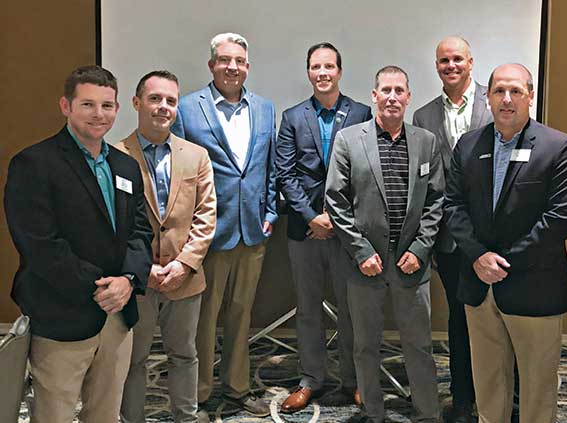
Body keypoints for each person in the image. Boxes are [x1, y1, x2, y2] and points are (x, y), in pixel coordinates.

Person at [4, 65, 153, 423]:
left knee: (105, 413)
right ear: (66, 106)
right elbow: (40, 244)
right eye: (87, 104)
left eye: (107, 105)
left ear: (118, 109)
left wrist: (128, 282)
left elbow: (140, 232)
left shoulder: (126, 166)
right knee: (54, 414)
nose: (98, 114)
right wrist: (101, 288)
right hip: (62, 315)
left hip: (118, 317)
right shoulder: (34, 164)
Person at [444, 63, 567, 423]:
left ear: (530, 96)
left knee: (537, 389)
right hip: (478, 286)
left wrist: (502, 262)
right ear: (487, 97)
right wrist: (477, 257)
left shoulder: (559, 147)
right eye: (499, 91)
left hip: (533, 286)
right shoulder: (469, 145)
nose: (507, 99)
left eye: (516, 91)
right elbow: (453, 206)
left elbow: (559, 220)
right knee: (488, 384)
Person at [326, 65, 444, 423]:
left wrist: (420, 249)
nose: (392, 97)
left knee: (419, 347)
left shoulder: (426, 141)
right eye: (385, 90)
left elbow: (436, 201)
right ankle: (373, 413)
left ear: (408, 97)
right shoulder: (348, 139)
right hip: (366, 263)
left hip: (412, 263)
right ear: (374, 96)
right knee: (365, 346)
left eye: (399, 90)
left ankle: (427, 414)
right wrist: (361, 252)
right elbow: (335, 200)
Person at [172, 32, 277, 417]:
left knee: (241, 313)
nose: (232, 67)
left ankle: (237, 388)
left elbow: (269, 168)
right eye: (225, 60)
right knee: (203, 318)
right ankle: (198, 394)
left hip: (253, 230)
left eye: (239, 61)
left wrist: (269, 213)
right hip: (207, 234)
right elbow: (180, 173)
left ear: (247, 67)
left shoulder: (265, 109)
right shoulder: (186, 108)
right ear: (212, 64)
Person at [276, 42, 371, 413]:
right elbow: (286, 174)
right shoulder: (292, 117)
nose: (322, 73)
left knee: (352, 310)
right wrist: (311, 217)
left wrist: (338, 219)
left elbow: (366, 174)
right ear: (308, 72)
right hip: (306, 231)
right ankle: (311, 379)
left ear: (340, 71)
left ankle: (353, 379)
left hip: (349, 233)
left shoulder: (362, 113)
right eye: (316, 66)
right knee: (308, 308)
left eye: (329, 66)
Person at [118, 70, 216, 423]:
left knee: (185, 356)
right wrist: (144, 268)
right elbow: (115, 225)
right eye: (155, 99)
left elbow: (206, 216)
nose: (163, 107)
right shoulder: (115, 155)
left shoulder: (196, 155)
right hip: (136, 280)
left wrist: (184, 264)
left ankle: (186, 417)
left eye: (171, 101)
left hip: (185, 278)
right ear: (136, 102)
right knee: (134, 359)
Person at [412, 36, 492, 422]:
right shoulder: (424, 116)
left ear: (470, 62)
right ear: (437, 65)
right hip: (447, 237)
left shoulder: (495, 104)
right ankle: (463, 401)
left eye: (457, 58)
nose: (450, 65)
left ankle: (503, 399)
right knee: (459, 320)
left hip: (492, 236)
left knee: (498, 320)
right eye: (443, 60)